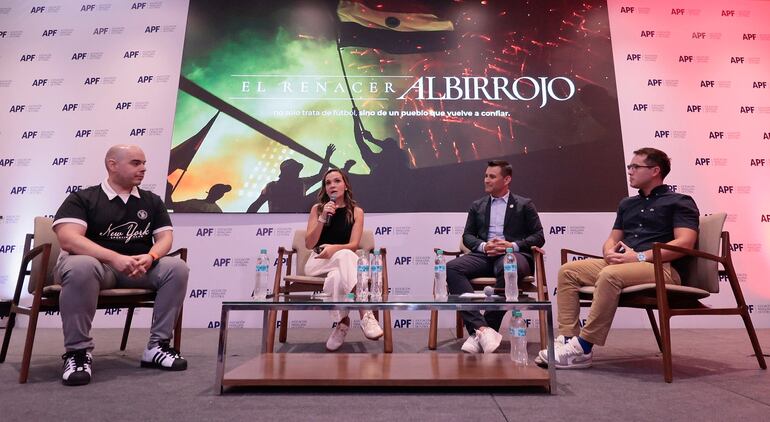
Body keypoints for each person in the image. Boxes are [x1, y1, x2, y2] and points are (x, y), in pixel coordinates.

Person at [537, 147, 699, 369]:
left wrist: (639, 257)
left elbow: (684, 243)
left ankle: (583, 348)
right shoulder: (627, 204)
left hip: (661, 268)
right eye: (629, 166)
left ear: (655, 171)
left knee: (610, 274)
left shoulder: (679, 201)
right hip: (626, 265)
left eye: (635, 167)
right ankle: (567, 339)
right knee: (568, 271)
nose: (630, 171)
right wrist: (608, 252)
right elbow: (613, 239)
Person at [52, 144, 189, 386]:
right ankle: (78, 352)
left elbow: (165, 238)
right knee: (81, 265)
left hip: (137, 269)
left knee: (176, 268)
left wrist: (151, 257)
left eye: (144, 163)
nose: (143, 168)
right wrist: (113, 258)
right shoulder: (82, 198)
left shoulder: (152, 201)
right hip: (98, 269)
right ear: (112, 165)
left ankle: (157, 346)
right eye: (136, 163)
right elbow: (68, 238)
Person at [447, 160, 545, 354]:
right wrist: (484, 246)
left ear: (506, 180)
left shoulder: (524, 205)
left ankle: (483, 330)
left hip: (513, 255)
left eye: (492, 176)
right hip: (485, 254)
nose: (486, 180)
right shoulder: (478, 205)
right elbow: (468, 236)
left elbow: (539, 236)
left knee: (508, 266)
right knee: (451, 267)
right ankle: (481, 329)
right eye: (486, 176)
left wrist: (511, 246)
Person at [303, 168, 384, 351]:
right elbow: (309, 244)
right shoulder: (317, 209)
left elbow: (354, 245)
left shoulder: (356, 212)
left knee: (339, 273)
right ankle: (366, 314)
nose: (332, 185)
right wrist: (322, 218)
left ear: (346, 185)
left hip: (341, 260)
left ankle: (342, 324)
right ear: (325, 188)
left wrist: (333, 249)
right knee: (346, 256)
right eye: (328, 183)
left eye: (337, 181)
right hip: (318, 260)